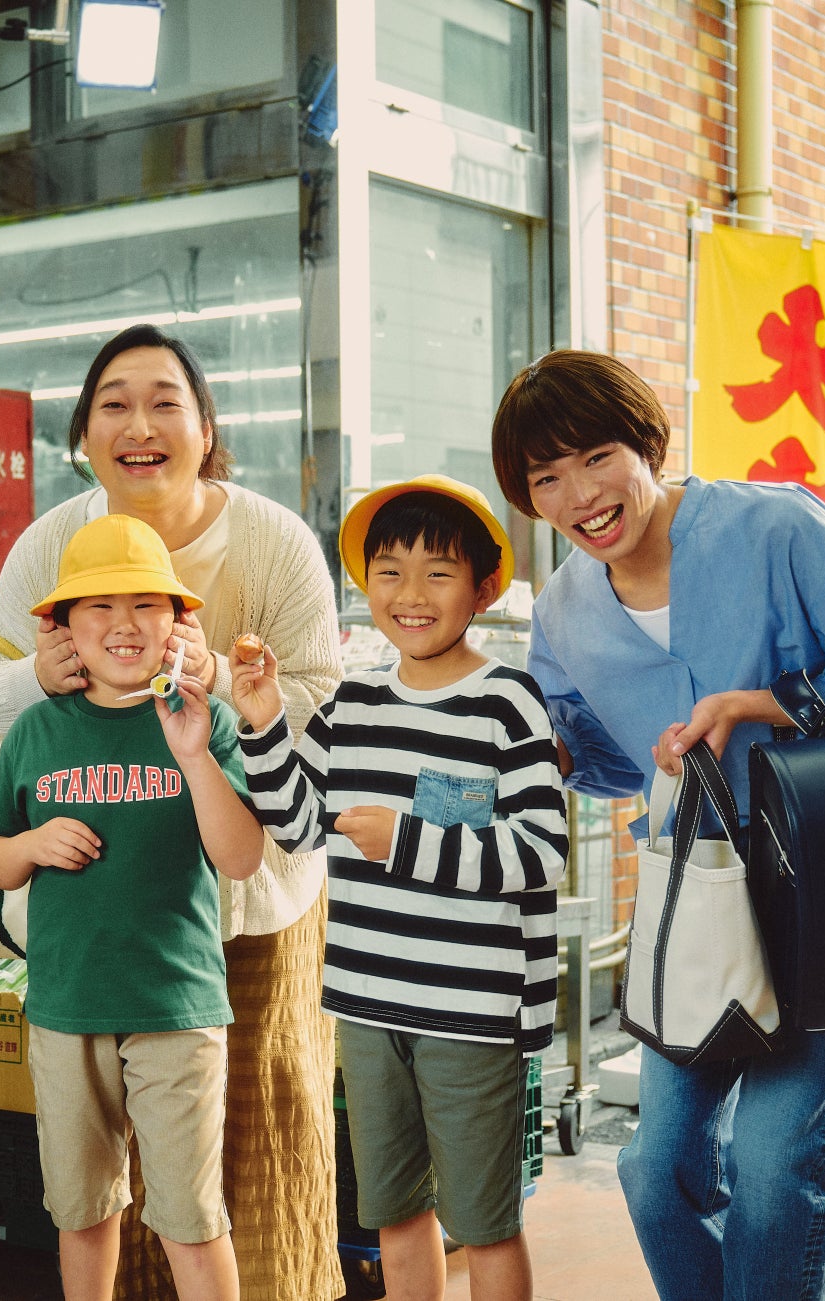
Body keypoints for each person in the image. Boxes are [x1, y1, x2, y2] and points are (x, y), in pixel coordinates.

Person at [490, 350, 825, 1300]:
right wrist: (557, 757)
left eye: (596, 455)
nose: (580, 495)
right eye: (546, 478)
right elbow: (611, 760)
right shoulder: (564, 612)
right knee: (656, 1175)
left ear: (646, 441)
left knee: (780, 1178)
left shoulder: (779, 528)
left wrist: (765, 702)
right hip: (694, 913)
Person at [0, 324, 343, 1299]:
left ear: (207, 427)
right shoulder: (53, 543)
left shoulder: (272, 540)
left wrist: (232, 700)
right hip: (109, 914)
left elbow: (325, 693)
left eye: (166, 400)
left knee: (259, 1149)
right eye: (114, 402)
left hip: (253, 906)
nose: (141, 423)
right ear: (85, 432)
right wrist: (36, 680)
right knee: (115, 1181)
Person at [233, 475, 564, 1301]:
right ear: (365, 584)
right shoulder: (352, 704)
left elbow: (540, 852)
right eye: (390, 570)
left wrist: (407, 840)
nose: (411, 595)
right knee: (393, 1211)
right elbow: (299, 821)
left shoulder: (507, 703)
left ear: (484, 586)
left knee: (486, 1221)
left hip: (472, 1014)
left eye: (438, 572)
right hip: (367, 1006)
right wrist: (264, 721)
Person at [0, 513, 264, 1301]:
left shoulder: (206, 722)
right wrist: (32, 843)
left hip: (177, 1005)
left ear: (179, 623)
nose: (125, 623)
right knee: (83, 1211)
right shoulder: (37, 730)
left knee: (192, 1219)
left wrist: (195, 753)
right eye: (98, 606)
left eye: (147, 604)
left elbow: (241, 857)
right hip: (67, 1006)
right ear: (62, 627)